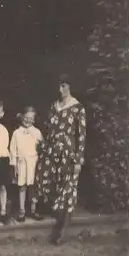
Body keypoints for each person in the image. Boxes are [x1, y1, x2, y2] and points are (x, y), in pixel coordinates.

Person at [35, 75, 87, 245]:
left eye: (64, 86)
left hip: (69, 155)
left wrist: (78, 159)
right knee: (51, 186)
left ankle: (61, 231)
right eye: (59, 86)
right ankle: (57, 223)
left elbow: (81, 136)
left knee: (69, 189)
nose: (60, 90)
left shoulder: (78, 108)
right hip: (52, 153)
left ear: (70, 86)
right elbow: (48, 129)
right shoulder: (53, 106)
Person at [10, 106, 44, 222]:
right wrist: (14, 165)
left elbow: (41, 148)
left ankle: (33, 210)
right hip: (22, 163)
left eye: (31, 118)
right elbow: (13, 150)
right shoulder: (16, 133)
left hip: (34, 163)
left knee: (33, 187)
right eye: (26, 117)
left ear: (34, 120)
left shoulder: (37, 132)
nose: (28, 120)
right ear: (21, 117)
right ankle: (22, 211)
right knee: (22, 187)